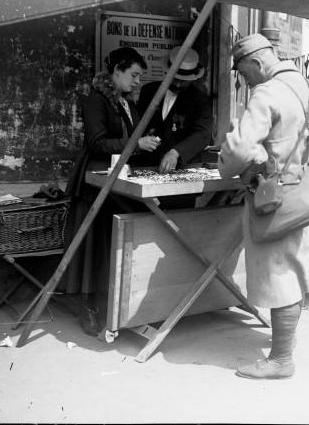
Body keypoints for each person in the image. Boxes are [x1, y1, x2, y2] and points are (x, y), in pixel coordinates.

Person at [218, 33, 309, 379]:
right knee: (296, 268)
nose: (244, 79)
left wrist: (240, 162)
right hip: (308, 191)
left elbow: (237, 151)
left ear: (258, 62)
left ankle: (281, 359)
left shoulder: (267, 92)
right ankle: (284, 349)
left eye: (243, 71)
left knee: (279, 272)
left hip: (276, 196)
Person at [63, 47, 161, 335]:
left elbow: (127, 142)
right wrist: (135, 145)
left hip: (118, 181)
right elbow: (97, 143)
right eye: (133, 75)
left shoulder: (126, 103)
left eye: (140, 76)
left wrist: (145, 145)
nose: (137, 81)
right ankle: (87, 307)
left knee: (111, 245)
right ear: (116, 70)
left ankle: (114, 306)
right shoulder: (96, 100)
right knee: (92, 247)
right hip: (95, 181)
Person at [137, 47, 213, 172]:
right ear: (167, 72)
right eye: (175, 79)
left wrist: (176, 152)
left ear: (193, 78)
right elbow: (138, 123)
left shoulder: (200, 100)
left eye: (184, 82)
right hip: (147, 165)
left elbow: (202, 134)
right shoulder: (148, 91)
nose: (178, 85)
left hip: (183, 166)